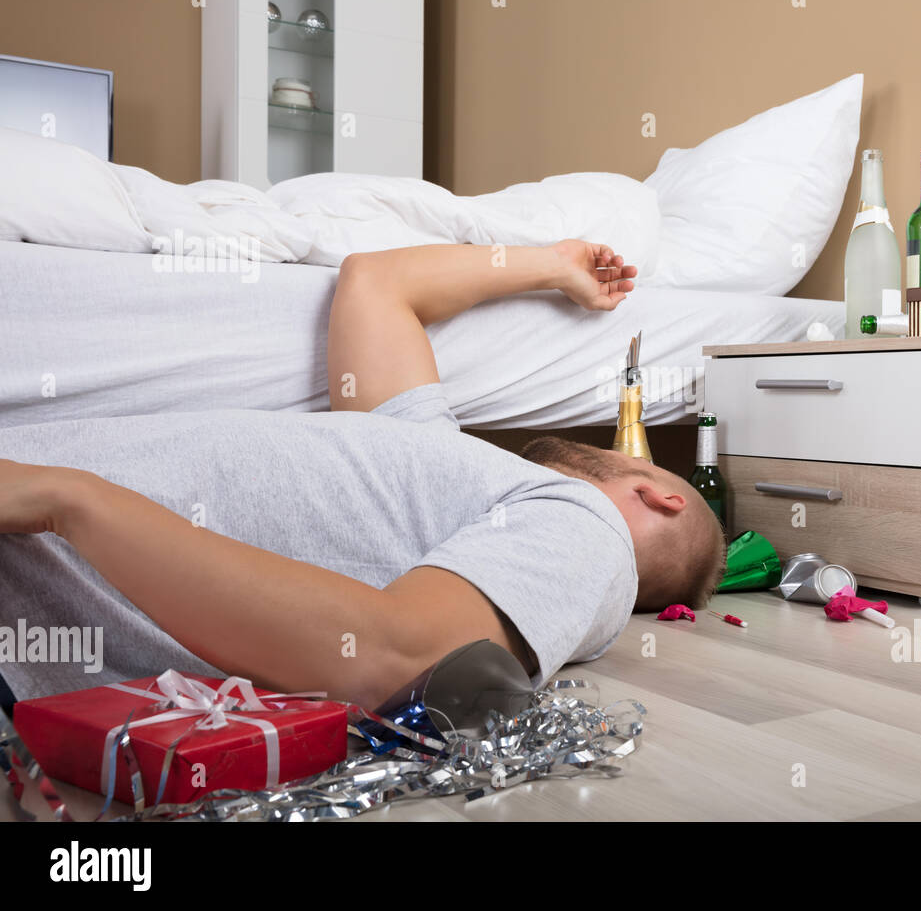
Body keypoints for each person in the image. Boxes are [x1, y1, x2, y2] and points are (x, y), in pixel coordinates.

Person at [0, 240, 726, 715]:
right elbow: (376, 282)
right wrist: (555, 264)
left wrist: (68, 499)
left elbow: (388, 657)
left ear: (658, 495)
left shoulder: (585, 531)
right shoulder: (449, 472)